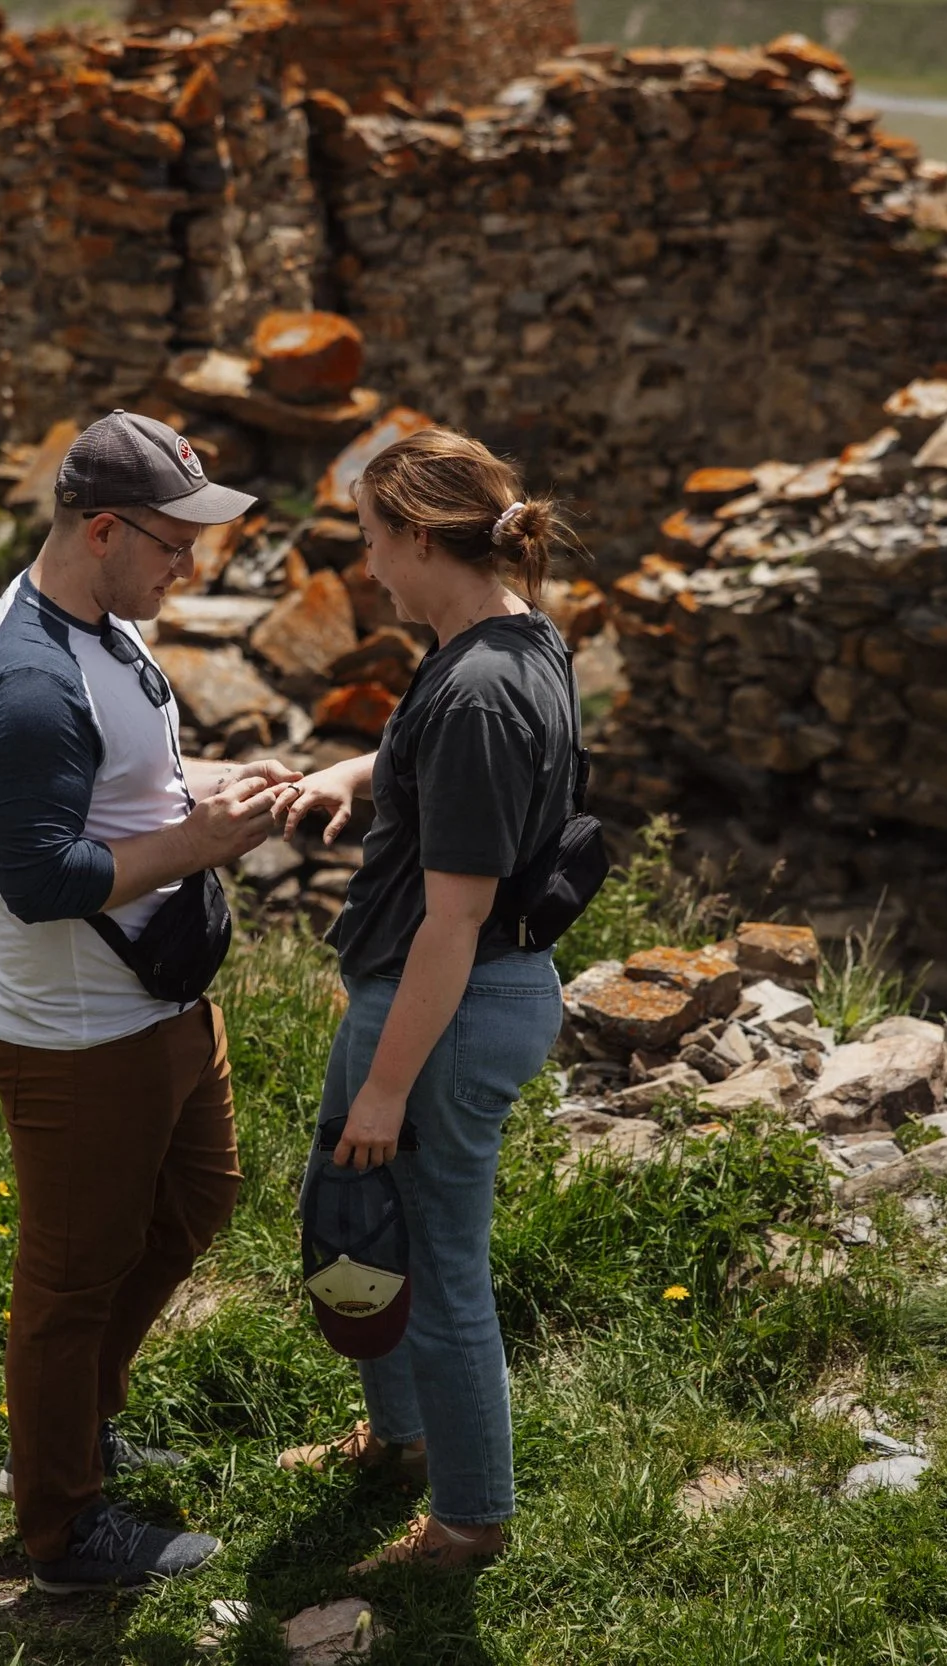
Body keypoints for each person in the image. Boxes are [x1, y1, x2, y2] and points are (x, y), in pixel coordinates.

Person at [0, 409, 301, 1594]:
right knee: (70, 1279)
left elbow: (124, 786)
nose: (188, 565)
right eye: (172, 542)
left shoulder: (100, 622)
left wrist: (209, 792)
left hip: (155, 1002)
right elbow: (43, 878)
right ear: (102, 529)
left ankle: (73, 1431)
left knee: (199, 1199)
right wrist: (200, 840)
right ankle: (60, 1529)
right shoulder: (31, 681)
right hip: (77, 1032)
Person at [276, 427, 579, 1572]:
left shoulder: (480, 695)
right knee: (362, 1218)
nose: (364, 567)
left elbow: (454, 920)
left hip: (446, 1006)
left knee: (438, 1257)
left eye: (369, 540)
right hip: (419, 990)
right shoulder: (497, 636)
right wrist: (348, 779)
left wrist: (388, 1086)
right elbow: (418, 759)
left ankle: (468, 1519)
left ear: (414, 535)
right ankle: (398, 1439)